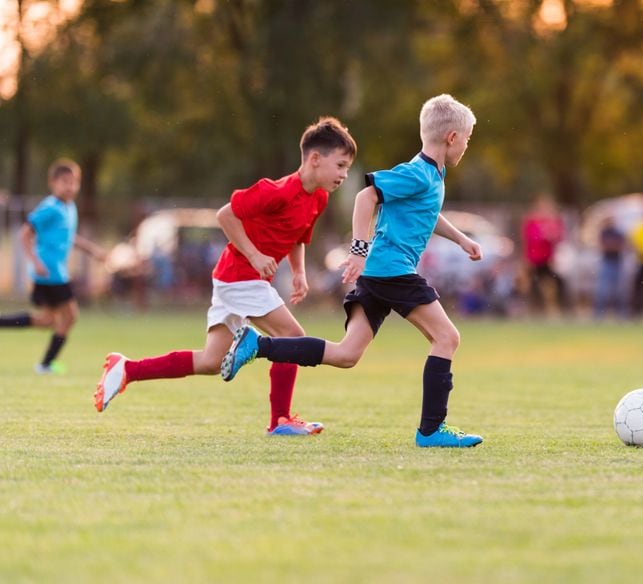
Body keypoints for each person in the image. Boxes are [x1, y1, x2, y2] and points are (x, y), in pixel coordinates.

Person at [220, 94, 484, 448]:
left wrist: (461, 239)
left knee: (346, 355)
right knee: (447, 338)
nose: (466, 145)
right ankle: (431, 431)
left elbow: (427, 212)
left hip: (380, 274)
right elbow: (366, 197)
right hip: (392, 271)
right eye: (466, 138)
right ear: (452, 137)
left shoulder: (432, 177)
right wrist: (358, 250)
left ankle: (259, 344)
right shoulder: (418, 172)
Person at [93, 117, 357, 436]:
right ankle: (280, 421)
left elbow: (299, 235)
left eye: (347, 167)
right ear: (315, 159)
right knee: (292, 337)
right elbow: (226, 215)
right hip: (239, 276)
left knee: (209, 361)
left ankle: (127, 370)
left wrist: (299, 272)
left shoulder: (318, 197)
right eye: (340, 165)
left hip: (237, 280)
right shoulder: (277, 191)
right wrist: (255, 255)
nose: (344, 174)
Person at [0, 159, 106, 374]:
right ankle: (45, 365)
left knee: (47, 320)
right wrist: (35, 261)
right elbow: (24, 233)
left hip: (55, 273)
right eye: (65, 182)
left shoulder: (69, 207)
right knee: (70, 316)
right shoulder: (50, 207)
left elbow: (69, 236)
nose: (70, 187)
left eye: (74, 182)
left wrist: (93, 250)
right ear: (53, 183)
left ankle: (44, 363)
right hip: (50, 273)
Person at [522, 195, 567, 315]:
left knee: (556, 283)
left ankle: (559, 309)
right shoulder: (532, 221)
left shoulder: (553, 221)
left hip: (548, 259)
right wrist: (544, 234)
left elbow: (559, 237)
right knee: (533, 286)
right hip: (535, 259)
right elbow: (531, 238)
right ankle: (533, 310)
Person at [593, 216, 627, 319]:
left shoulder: (618, 233)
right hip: (607, 262)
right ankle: (599, 314)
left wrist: (611, 246)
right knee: (602, 290)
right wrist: (612, 246)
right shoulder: (604, 233)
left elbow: (621, 246)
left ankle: (621, 314)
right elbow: (602, 246)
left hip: (616, 262)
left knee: (619, 290)